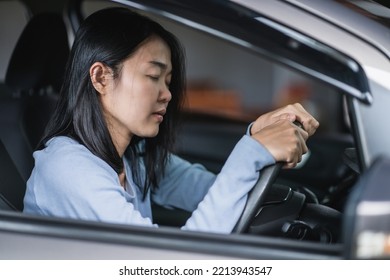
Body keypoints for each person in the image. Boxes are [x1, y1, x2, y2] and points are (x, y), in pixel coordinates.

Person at [23, 7, 319, 234]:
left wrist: (262, 135)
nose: (167, 94)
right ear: (101, 77)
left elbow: (219, 194)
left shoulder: (134, 159)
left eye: (168, 81)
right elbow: (167, 262)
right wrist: (251, 151)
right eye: (153, 76)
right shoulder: (67, 168)